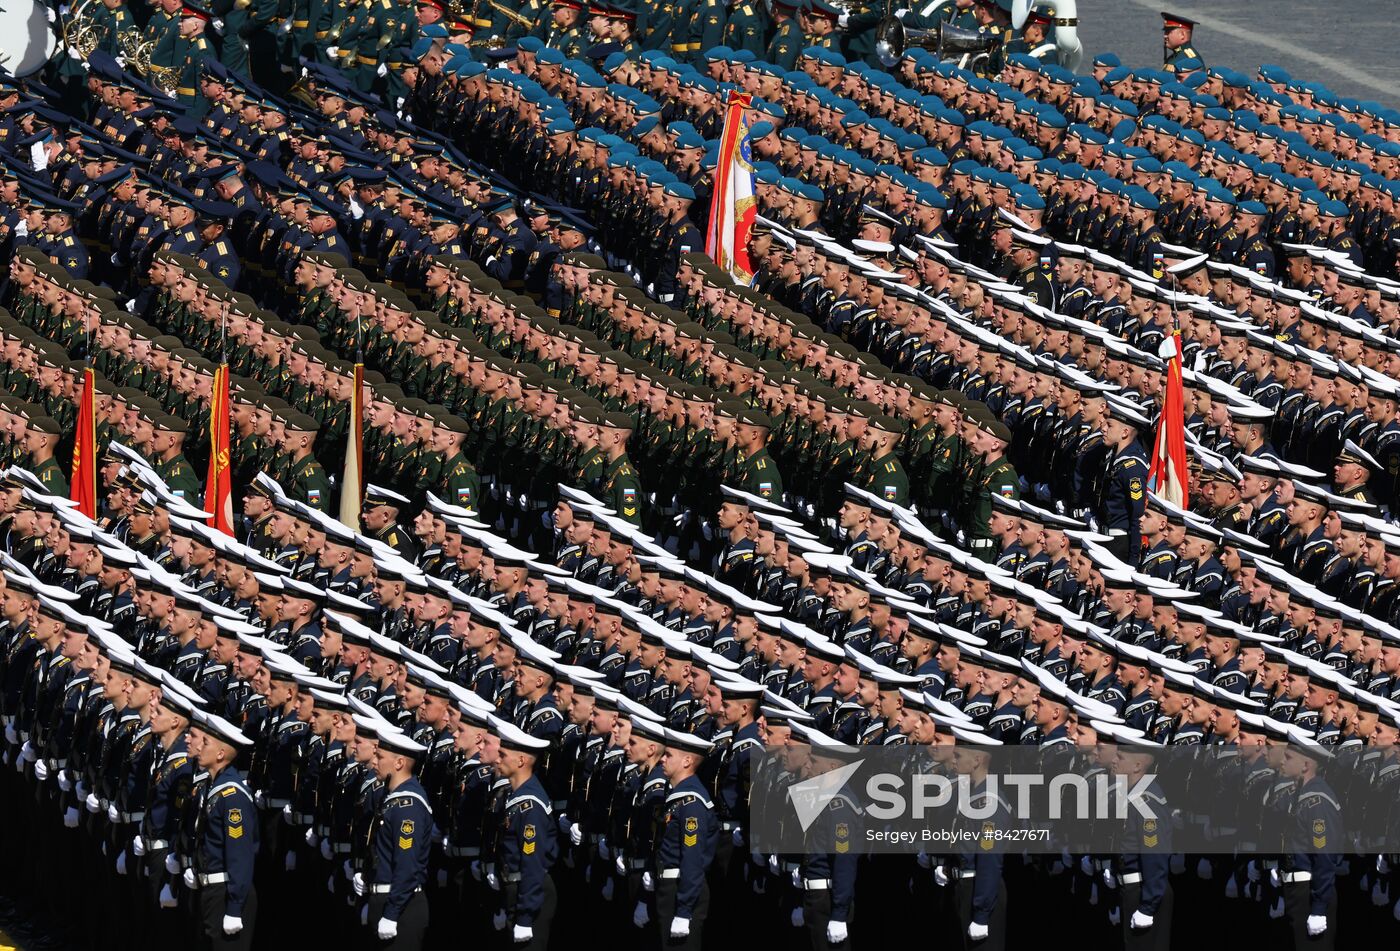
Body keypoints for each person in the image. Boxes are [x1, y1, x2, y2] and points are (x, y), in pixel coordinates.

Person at [190, 711, 259, 951]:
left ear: (221, 754)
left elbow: (240, 855)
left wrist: (234, 906)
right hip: (212, 890)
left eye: (206, 743)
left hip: (227, 892)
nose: (199, 747)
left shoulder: (232, 796)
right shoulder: (214, 787)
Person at [364, 729, 434, 949]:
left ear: (399, 763)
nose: (374, 761)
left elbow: (407, 864)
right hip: (385, 900)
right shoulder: (392, 799)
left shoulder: (408, 806)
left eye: (380, 756)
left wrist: (392, 913)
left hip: (402, 907)